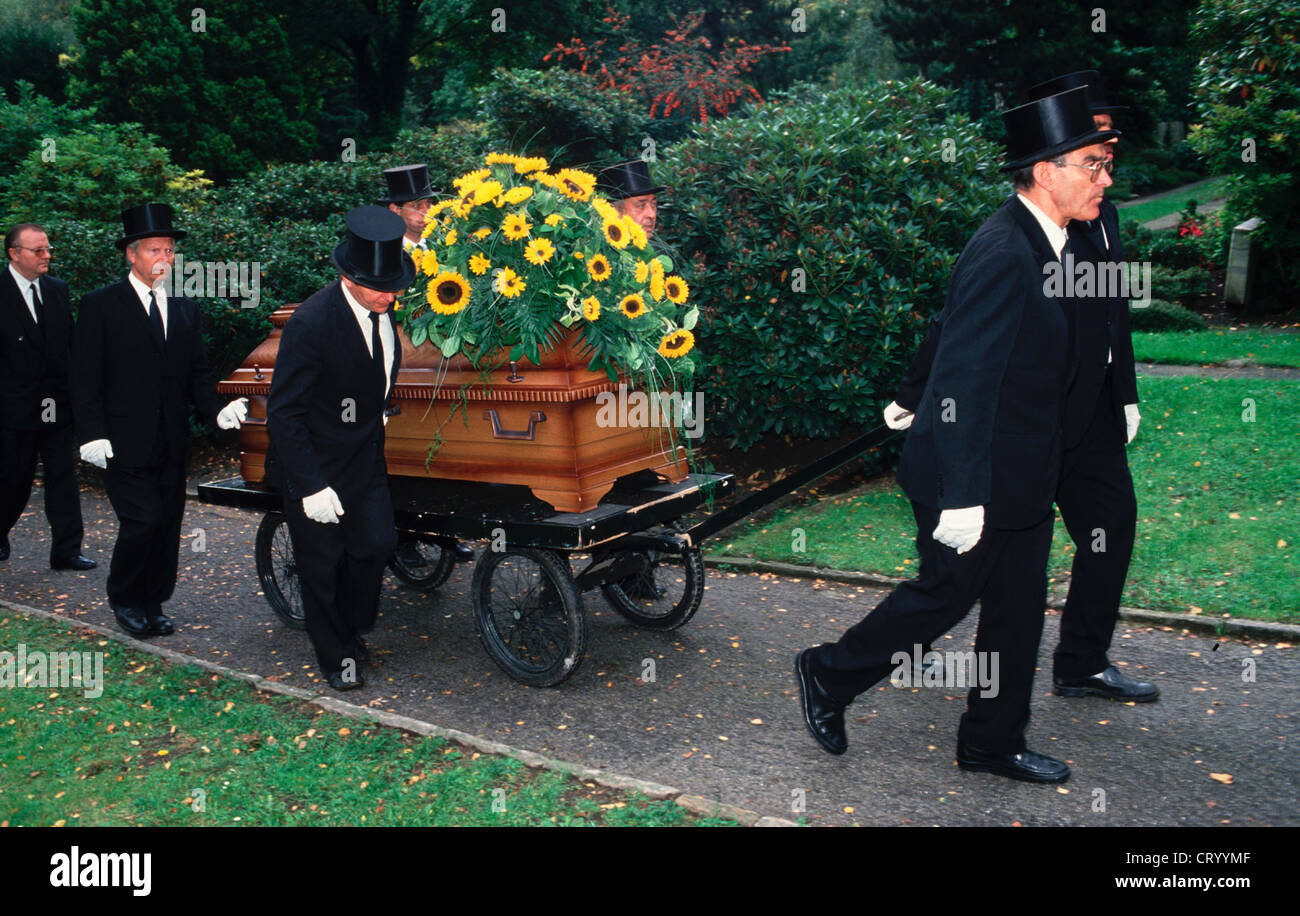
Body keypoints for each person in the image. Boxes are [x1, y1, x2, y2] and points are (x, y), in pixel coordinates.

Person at [796, 87, 1117, 783]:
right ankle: (828, 672)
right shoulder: (1007, 249)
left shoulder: (1051, 240)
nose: (1105, 179)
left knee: (1018, 611)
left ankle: (991, 743)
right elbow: (969, 376)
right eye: (1091, 164)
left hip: (1022, 470)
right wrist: (965, 496)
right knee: (944, 595)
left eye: (1104, 165)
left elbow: (950, 327)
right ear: (1046, 170)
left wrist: (910, 394)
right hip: (970, 475)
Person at [885, 70, 1155, 704]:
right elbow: (964, 329)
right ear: (1050, 166)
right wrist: (913, 392)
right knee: (971, 561)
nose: (1107, 164)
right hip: (1030, 420)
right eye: (1095, 152)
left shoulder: (1098, 217)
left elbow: (1112, 317)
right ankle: (904, 646)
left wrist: (1126, 391)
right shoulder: (1023, 237)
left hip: (1086, 416)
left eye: (1108, 148)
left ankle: (1081, 662)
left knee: (1108, 529)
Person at [71, 203, 248, 638]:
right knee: (142, 521)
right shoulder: (101, 306)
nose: (164, 259)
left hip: (171, 439)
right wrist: (91, 433)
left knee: (167, 524)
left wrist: (217, 407)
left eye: (169, 251)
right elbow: (82, 375)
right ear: (131, 255)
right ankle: (125, 597)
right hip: (121, 441)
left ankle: (153, 601)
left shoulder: (185, 311)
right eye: (155, 250)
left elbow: (198, 373)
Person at [266, 206, 410, 692]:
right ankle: (336, 657)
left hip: (365, 458)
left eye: (394, 286)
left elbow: (376, 374)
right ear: (349, 278)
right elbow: (284, 412)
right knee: (321, 566)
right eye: (380, 287)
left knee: (376, 546)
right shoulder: (311, 322)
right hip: (317, 466)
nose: (390, 296)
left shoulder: (383, 313)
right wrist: (310, 485)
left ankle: (350, 628)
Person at [1, 224, 94, 570]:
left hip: (52, 403)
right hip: (10, 407)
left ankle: (67, 550)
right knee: (13, 476)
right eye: (38, 250)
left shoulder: (56, 290)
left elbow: (68, 347)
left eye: (48, 248)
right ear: (14, 253)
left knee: (61, 473)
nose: (47, 255)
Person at [598, 160, 665, 238]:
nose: (652, 214)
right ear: (613, 210)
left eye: (653, 205)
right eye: (641, 206)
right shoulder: (598, 249)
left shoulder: (662, 249)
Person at [381, 163, 436, 251]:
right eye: (416, 205)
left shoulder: (445, 244)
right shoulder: (385, 251)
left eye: (428, 204)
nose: (427, 212)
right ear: (395, 210)